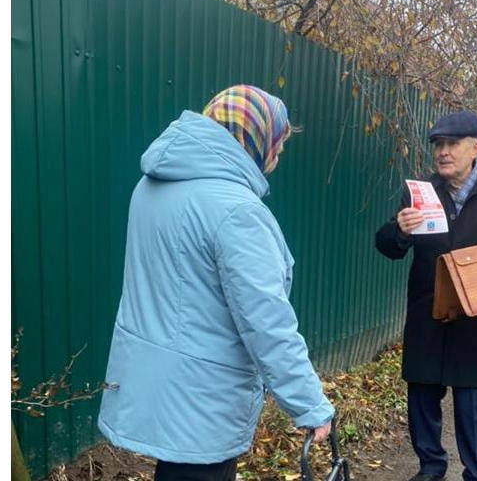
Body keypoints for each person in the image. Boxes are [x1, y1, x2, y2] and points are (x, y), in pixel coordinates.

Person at [98, 85, 334, 481]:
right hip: (203, 401)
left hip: (157, 385)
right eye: (278, 144)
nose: (277, 155)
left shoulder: (151, 185)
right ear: (255, 139)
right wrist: (309, 405)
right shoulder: (237, 211)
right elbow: (267, 322)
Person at [375, 111, 477, 481]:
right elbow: (387, 247)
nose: (443, 152)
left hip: (476, 320)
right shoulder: (420, 193)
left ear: (475, 148)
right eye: (438, 145)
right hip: (427, 317)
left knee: (474, 408)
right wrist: (399, 230)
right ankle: (430, 468)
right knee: (421, 401)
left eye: (452, 144)